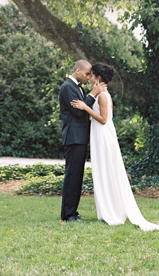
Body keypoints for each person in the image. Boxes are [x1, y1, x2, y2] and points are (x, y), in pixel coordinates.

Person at [71, 63, 159, 231]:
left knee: (107, 171)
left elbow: (103, 119)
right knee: (102, 172)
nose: (90, 78)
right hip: (99, 134)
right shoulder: (99, 94)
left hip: (103, 135)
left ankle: (112, 212)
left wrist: (85, 108)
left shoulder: (103, 96)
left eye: (92, 75)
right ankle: (107, 209)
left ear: (98, 78)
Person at [59, 59, 106, 222]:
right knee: (72, 176)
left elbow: (83, 110)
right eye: (87, 74)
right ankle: (68, 214)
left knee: (77, 176)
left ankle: (73, 211)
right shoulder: (67, 88)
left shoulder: (77, 88)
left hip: (80, 137)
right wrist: (93, 94)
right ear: (77, 71)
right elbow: (79, 113)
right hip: (73, 138)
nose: (88, 77)